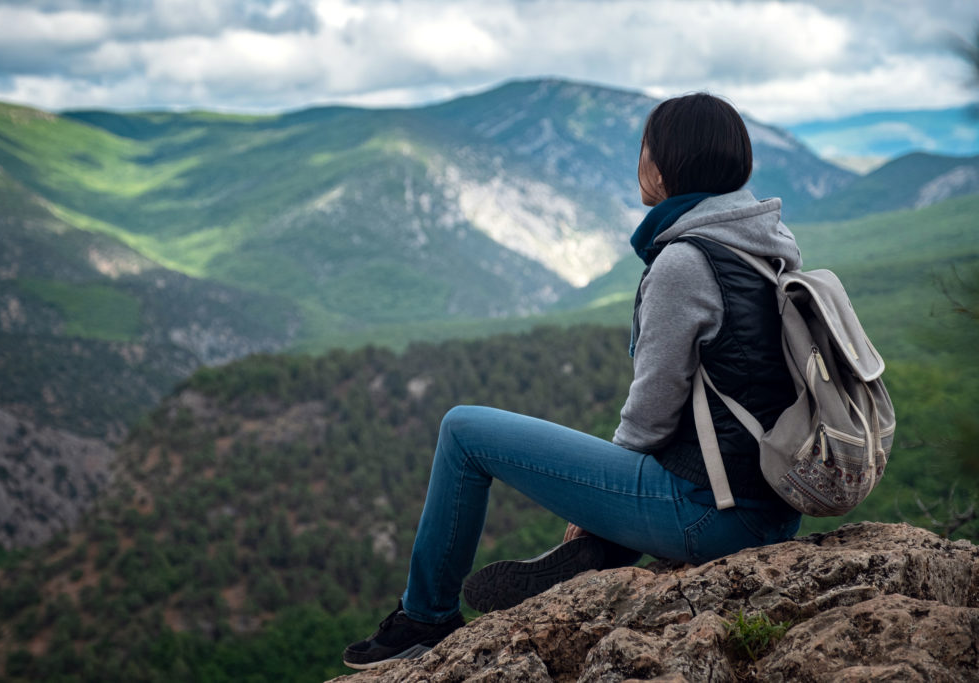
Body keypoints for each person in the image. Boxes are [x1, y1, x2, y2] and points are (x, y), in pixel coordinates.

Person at [342, 93, 803, 670]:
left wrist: (590, 508)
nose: (640, 161)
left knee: (463, 430)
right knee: (618, 478)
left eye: (645, 148)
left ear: (663, 165)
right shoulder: (765, 246)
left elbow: (651, 415)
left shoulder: (687, 262)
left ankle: (426, 617)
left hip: (712, 516)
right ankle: (602, 552)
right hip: (773, 508)